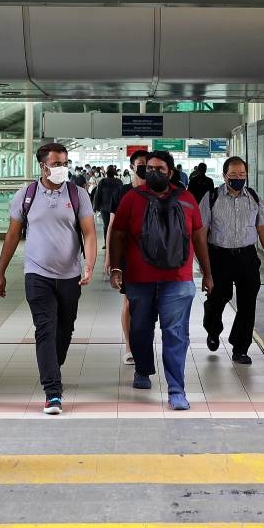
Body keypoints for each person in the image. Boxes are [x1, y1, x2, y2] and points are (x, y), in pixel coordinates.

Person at [0, 143, 97, 416]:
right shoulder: (26, 195)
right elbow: (13, 235)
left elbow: (88, 233)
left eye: (65, 162)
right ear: (43, 166)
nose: (62, 168)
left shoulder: (78, 195)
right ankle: (53, 392)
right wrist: (0, 272)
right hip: (36, 274)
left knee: (65, 330)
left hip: (69, 275)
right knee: (45, 329)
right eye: (56, 163)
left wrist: (89, 264)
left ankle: (54, 363)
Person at [109, 150, 213, 410]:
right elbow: (119, 234)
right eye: (149, 168)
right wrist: (115, 268)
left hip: (178, 279)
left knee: (176, 334)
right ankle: (143, 369)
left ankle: (176, 390)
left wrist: (208, 273)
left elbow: (199, 239)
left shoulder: (187, 199)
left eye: (160, 169)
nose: (153, 173)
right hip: (139, 278)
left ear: (171, 172)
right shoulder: (131, 199)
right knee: (140, 330)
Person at [200, 156, 264, 364]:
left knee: (247, 304)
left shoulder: (252, 197)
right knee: (218, 299)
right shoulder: (211, 197)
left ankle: (240, 348)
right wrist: (204, 267)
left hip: (247, 257)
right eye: (233, 175)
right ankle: (213, 329)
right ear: (224, 176)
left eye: (242, 175)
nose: (238, 178)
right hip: (220, 257)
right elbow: (201, 231)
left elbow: (262, 227)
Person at [104, 149, 150, 364]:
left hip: (152, 257)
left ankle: (144, 343)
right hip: (126, 255)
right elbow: (112, 226)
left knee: (149, 304)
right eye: (140, 163)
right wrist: (109, 259)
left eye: (147, 164)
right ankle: (129, 347)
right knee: (129, 303)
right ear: (132, 166)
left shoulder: (155, 191)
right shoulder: (121, 192)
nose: (144, 167)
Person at [93, 165, 124, 248]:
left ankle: (108, 243)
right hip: (114, 207)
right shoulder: (118, 181)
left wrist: (96, 206)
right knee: (113, 225)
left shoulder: (103, 181)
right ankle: (111, 243)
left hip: (106, 207)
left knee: (107, 226)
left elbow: (98, 194)